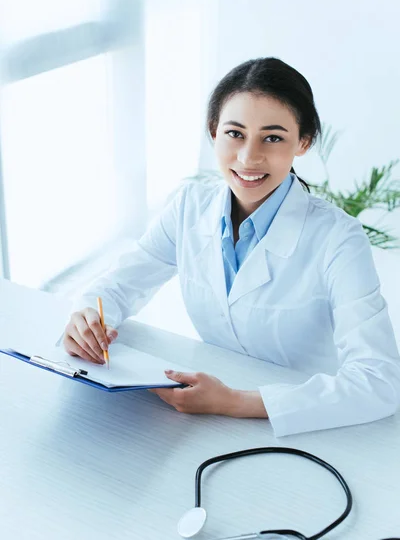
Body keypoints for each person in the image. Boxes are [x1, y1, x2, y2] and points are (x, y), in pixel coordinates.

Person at [63, 57, 400, 437]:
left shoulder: (339, 238)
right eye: (235, 133)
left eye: (273, 137)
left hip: (309, 421)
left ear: (303, 142)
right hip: (207, 414)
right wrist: (89, 315)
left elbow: (380, 382)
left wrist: (233, 402)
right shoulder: (189, 206)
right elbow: (120, 283)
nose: (248, 157)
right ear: (213, 131)